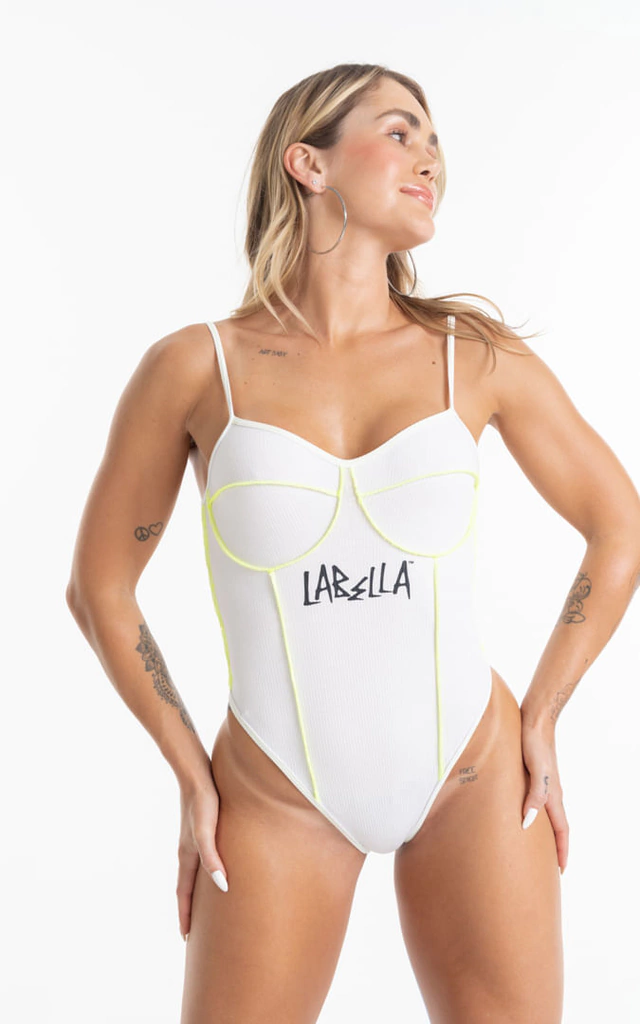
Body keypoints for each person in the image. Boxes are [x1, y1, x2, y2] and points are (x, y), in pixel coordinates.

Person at [66, 63, 640, 1024]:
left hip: (472, 776)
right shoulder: (196, 368)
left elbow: (618, 525)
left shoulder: (473, 356)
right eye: (401, 132)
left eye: (436, 141)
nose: (432, 159)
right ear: (310, 163)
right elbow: (100, 589)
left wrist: (541, 715)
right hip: (274, 792)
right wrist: (189, 770)